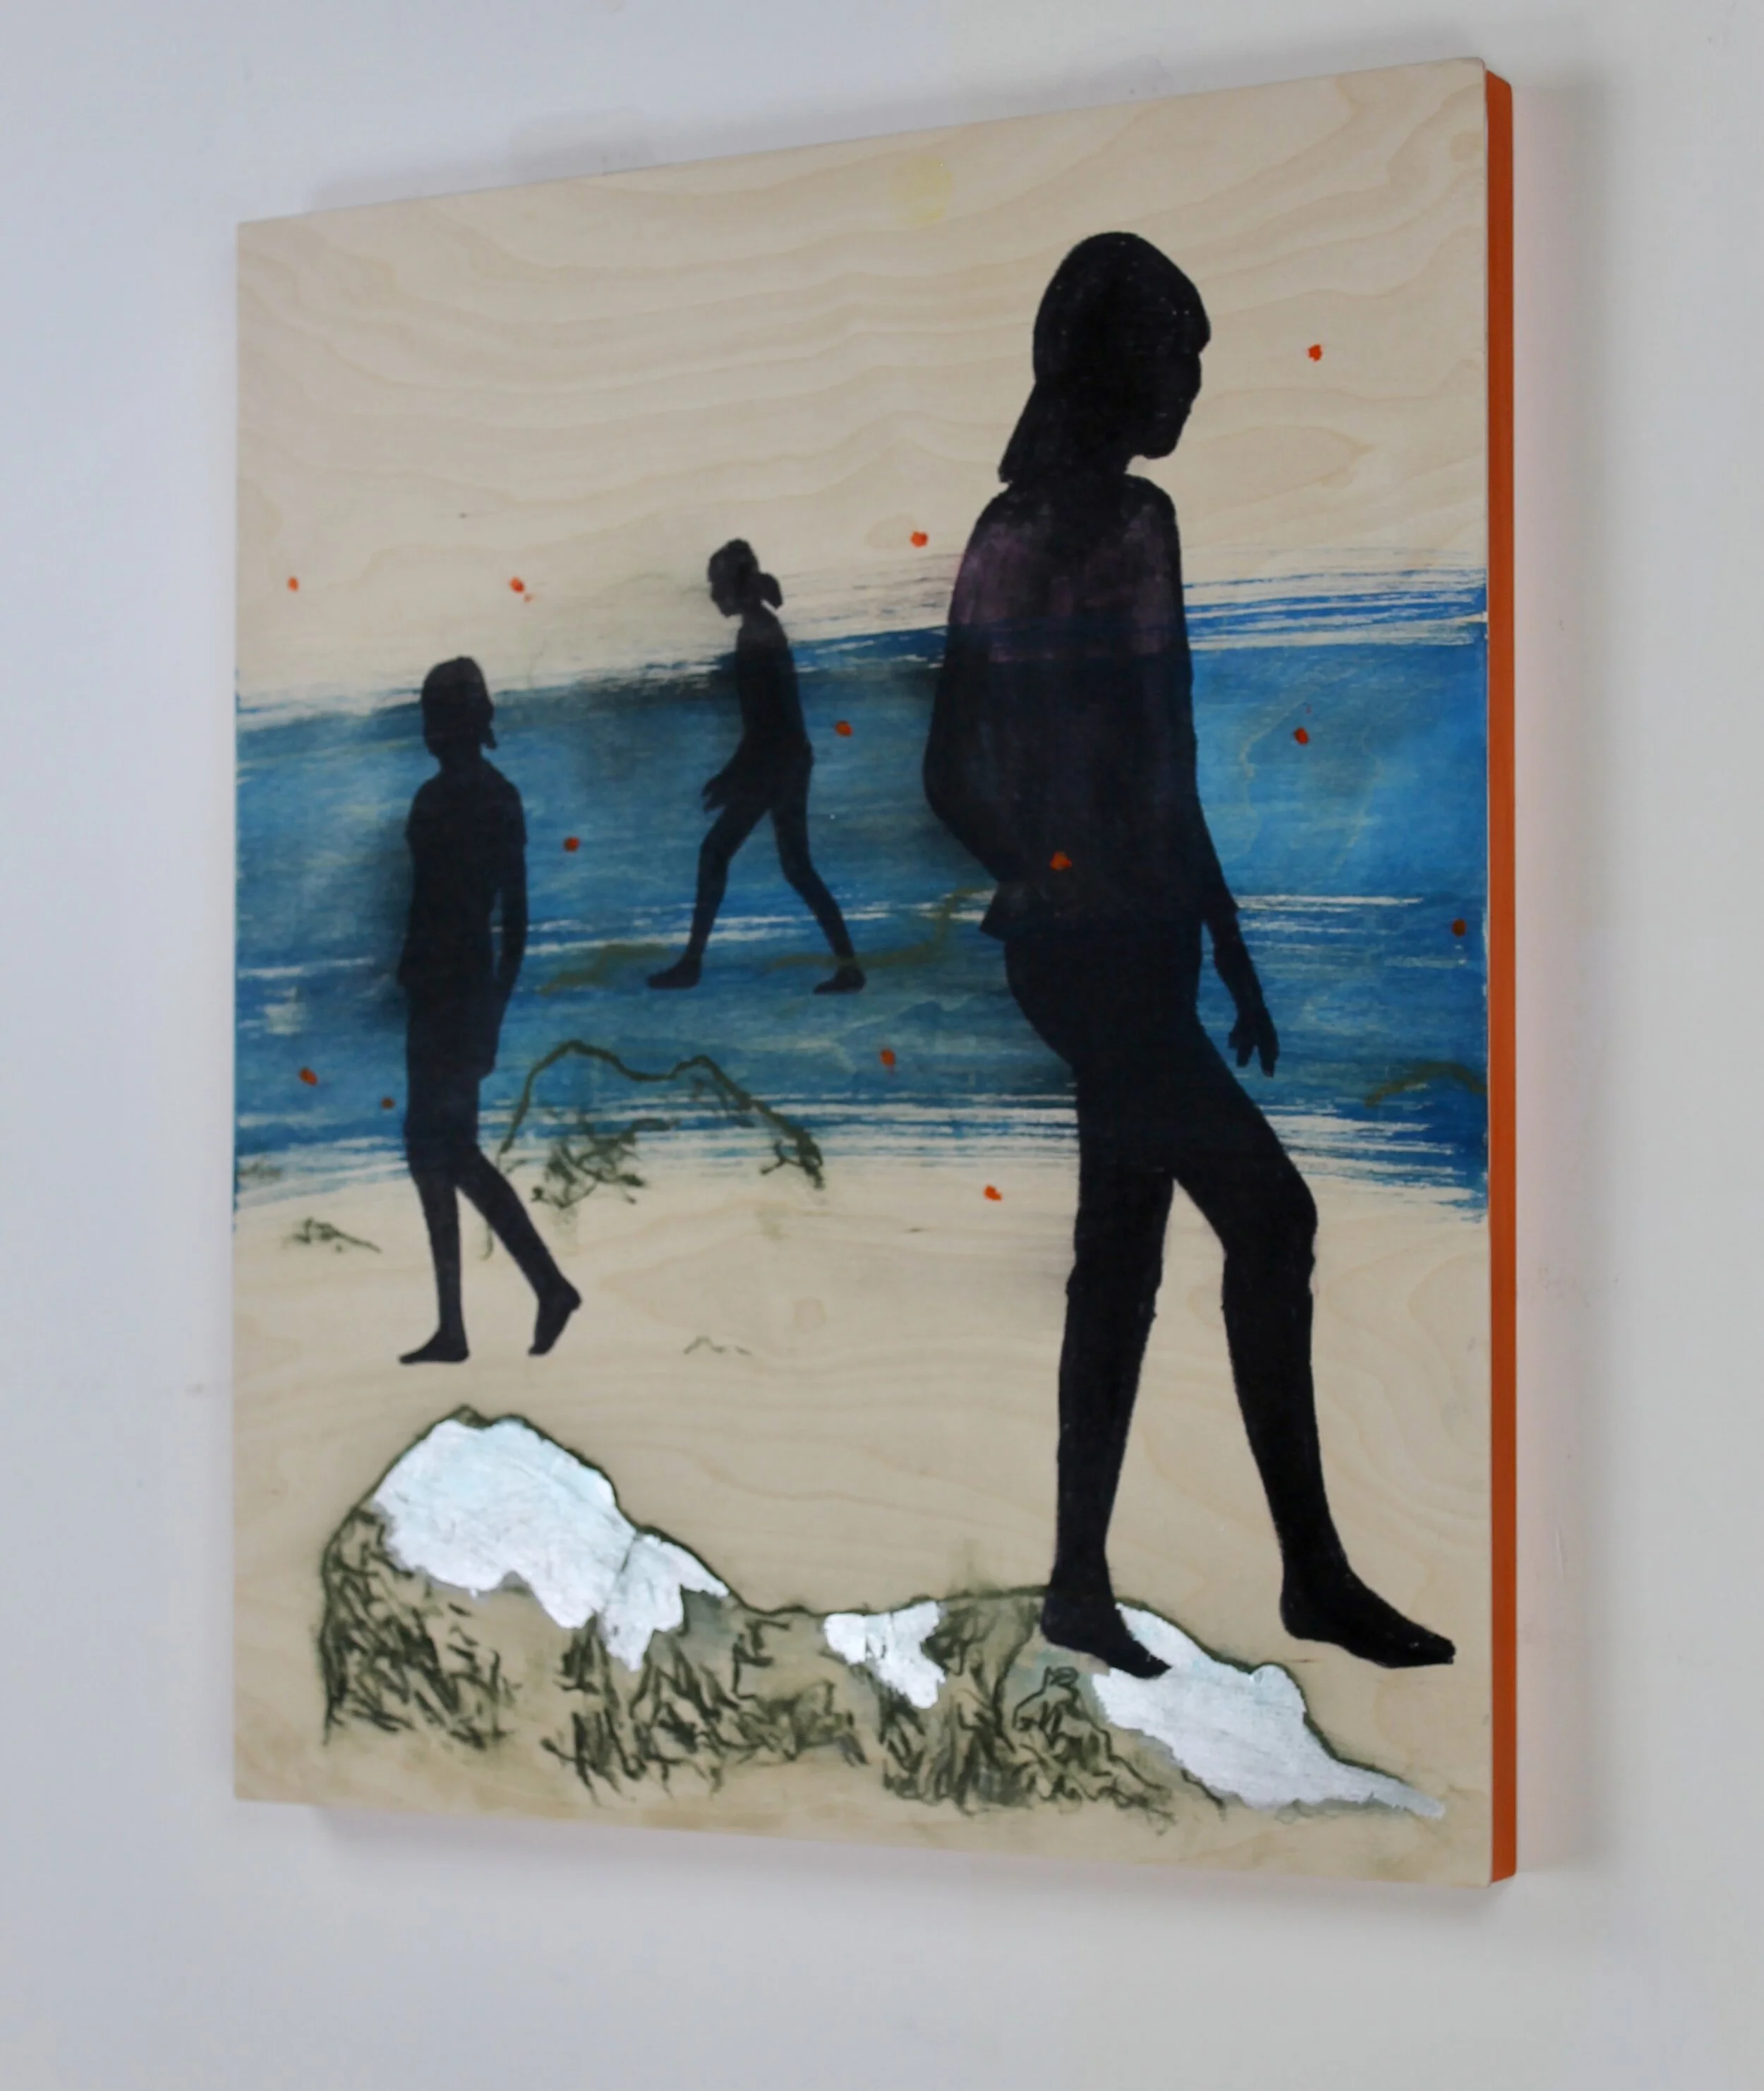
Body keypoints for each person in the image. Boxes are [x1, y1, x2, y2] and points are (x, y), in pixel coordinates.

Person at [924, 233, 1454, 1678]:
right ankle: (1310, 1576)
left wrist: (1227, 940)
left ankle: (1077, 1585)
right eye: (1175, 358)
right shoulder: (1013, 540)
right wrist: (1052, 872)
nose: (1190, 386)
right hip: (1076, 951)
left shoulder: (1145, 525)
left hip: (1150, 942)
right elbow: (949, 772)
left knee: (1119, 1256)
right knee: (1270, 1220)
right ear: (1111, 366)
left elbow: (1166, 766)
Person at [397, 657, 581, 1364]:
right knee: (438, 1154)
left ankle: (525, 1297)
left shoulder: (481, 798)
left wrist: (491, 1012)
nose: (429, 730)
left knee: (442, 1152)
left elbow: (513, 920)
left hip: (456, 993)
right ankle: (483, 1313)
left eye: (434, 716)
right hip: (441, 990)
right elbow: (486, 915)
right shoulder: (462, 796)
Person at [648, 541, 864, 994]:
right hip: (788, 758)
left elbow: (767, 724)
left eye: (716, 585)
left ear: (733, 584)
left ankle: (691, 964)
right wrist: (735, 775)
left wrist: (733, 777)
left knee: (716, 853)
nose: (712, 595)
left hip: (776, 763)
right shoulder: (761, 628)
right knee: (796, 867)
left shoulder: (757, 634)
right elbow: (770, 722)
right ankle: (849, 967)